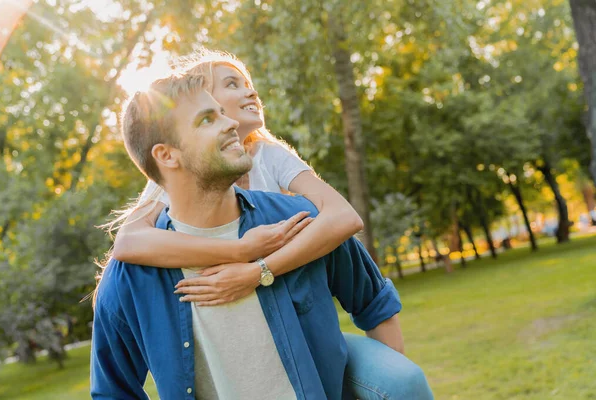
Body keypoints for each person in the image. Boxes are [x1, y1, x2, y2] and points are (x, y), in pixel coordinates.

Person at [103, 49, 433, 399]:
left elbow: (349, 232)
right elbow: (127, 243)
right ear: (167, 155)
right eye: (207, 117)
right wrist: (241, 250)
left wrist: (260, 269)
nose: (232, 118)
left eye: (220, 114)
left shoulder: (294, 210)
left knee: (401, 382)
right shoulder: (136, 263)